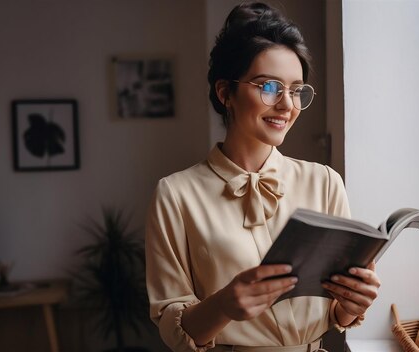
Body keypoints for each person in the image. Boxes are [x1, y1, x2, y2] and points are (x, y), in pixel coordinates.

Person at [145, 3, 381, 351]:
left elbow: (334, 314)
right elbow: (172, 326)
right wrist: (225, 304)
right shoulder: (175, 194)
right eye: (269, 87)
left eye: (297, 90)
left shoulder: (325, 182)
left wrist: (351, 305)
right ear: (225, 92)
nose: (287, 105)